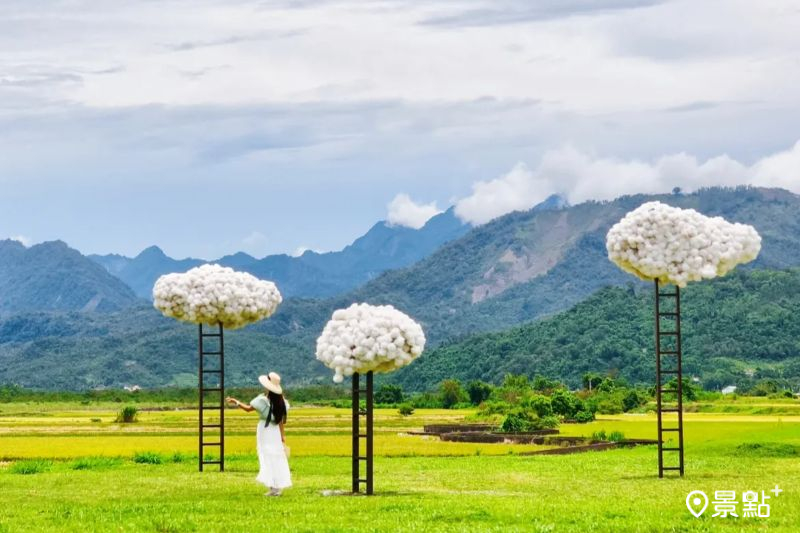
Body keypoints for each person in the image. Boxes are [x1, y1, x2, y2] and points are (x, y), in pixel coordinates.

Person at [226, 372, 291, 496]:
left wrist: (237, 402)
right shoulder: (281, 402)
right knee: (276, 456)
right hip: (275, 432)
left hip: (265, 431)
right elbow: (281, 421)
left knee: (267, 456)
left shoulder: (262, 400)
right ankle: (276, 487)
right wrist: (282, 435)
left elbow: (248, 409)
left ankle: (273, 487)